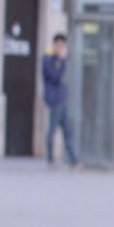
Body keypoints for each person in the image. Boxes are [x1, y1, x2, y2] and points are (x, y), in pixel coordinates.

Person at [42, 34, 77, 169]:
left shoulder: (60, 60)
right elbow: (56, 76)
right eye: (59, 45)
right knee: (52, 130)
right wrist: (61, 62)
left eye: (62, 45)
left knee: (67, 131)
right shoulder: (48, 59)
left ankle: (74, 160)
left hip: (62, 98)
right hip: (54, 99)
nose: (60, 48)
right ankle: (50, 159)